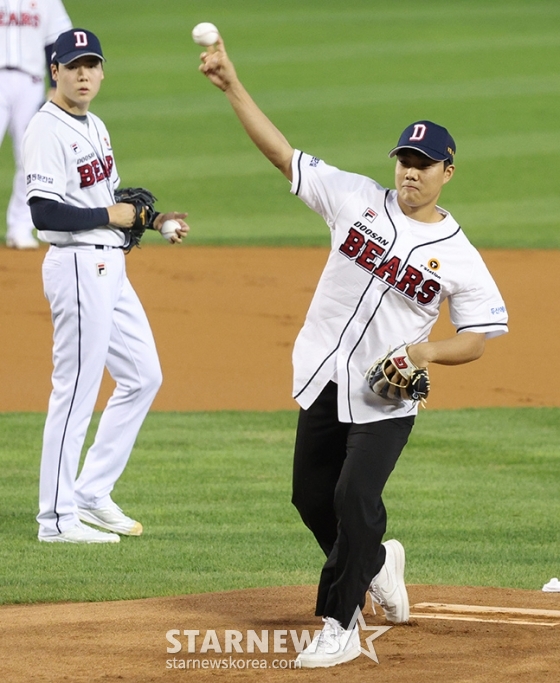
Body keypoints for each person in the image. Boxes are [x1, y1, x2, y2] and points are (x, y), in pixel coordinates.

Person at [199, 38, 509, 668]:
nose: (410, 171)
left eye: (424, 163)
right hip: (324, 372)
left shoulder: (460, 255)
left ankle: (338, 623)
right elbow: (283, 155)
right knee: (310, 498)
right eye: (404, 159)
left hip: (387, 393)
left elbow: (479, 336)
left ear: (448, 171)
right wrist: (232, 85)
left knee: (353, 498)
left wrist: (425, 353)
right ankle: (378, 562)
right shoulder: (353, 197)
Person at [23, 28, 189, 543]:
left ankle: (90, 493)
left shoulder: (94, 123)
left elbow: (114, 198)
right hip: (76, 267)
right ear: (55, 70)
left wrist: (155, 218)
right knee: (75, 393)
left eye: (91, 65)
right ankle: (55, 519)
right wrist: (110, 213)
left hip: (110, 267)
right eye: (73, 65)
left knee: (143, 375)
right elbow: (42, 212)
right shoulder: (45, 129)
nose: (84, 74)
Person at [0, 0, 72, 249]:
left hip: (30, 83)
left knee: (29, 156)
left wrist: (55, 86)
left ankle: (19, 227)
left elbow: (57, 40)